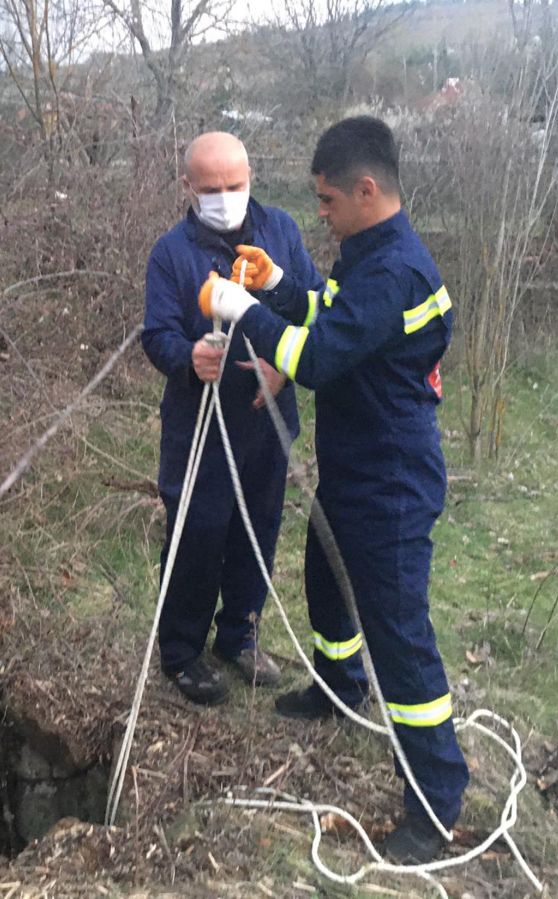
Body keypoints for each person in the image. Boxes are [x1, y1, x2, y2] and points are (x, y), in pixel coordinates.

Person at [196, 116, 469, 863]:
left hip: (392, 480)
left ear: (366, 189)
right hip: (357, 465)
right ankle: (339, 683)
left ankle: (436, 801)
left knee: (401, 637)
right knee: (325, 575)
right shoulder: (368, 255)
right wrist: (281, 285)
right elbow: (334, 316)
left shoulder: (396, 271)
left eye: (325, 202)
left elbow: (317, 358)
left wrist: (242, 308)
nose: (320, 214)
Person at [142, 132, 322, 706]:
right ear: (188, 187)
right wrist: (189, 358)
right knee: (197, 533)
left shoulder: (282, 233)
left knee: (258, 529)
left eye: (235, 186)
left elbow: (311, 303)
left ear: (252, 179)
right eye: (212, 188)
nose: (225, 197)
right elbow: (158, 334)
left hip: (267, 420)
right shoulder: (171, 253)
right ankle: (181, 651)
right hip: (199, 423)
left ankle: (239, 634)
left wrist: (284, 368)